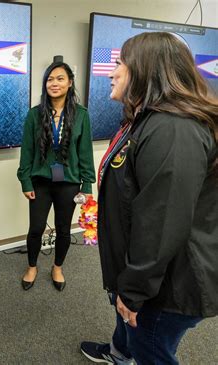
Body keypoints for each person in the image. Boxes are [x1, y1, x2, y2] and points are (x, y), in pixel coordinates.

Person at [80, 32, 218, 365]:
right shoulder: (146, 120)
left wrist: (132, 291)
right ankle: (119, 352)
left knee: (152, 350)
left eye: (119, 65)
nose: (111, 73)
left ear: (146, 70)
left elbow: (161, 223)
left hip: (165, 286)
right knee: (129, 334)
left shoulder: (172, 129)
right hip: (141, 273)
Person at [17, 61, 95, 291]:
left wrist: (87, 186)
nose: (54, 83)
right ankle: (32, 266)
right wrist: (25, 180)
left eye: (60, 78)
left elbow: (85, 153)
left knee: (63, 229)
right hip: (40, 182)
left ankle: (57, 266)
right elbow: (27, 151)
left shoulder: (81, 115)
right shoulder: (34, 115)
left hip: (69, 182)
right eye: (50, 79)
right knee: (36, 228)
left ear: (70, 83)